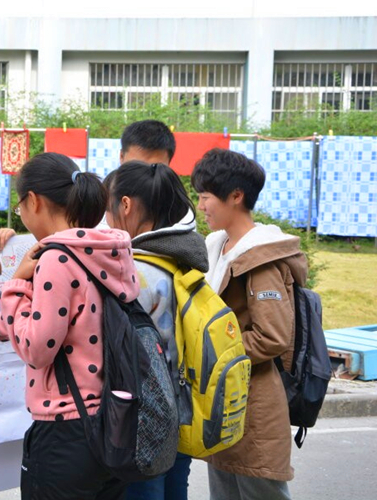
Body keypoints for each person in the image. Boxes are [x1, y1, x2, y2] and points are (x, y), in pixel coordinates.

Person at [0, 152, 136, 500]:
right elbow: (65, 317)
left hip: (67, 428)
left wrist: (14, 284)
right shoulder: (106, 249)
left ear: (34, 201)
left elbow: (37, 348)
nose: (22, 216)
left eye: (19, 208)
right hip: (111, 420)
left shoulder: (57, 259)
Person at [191, 149, 307, 500]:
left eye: (206, 196)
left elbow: (272, 336)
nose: (200, 205)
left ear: (236, 196)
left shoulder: (260, 257)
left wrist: (212, 353)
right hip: (226, 402)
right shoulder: (219, 247)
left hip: (254, 406)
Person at [104, 161, 207, 500]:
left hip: (144, 419)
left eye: (107, 207)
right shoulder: (183, 259)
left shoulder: (135, 273)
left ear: (125, 205)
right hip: (182, 408)